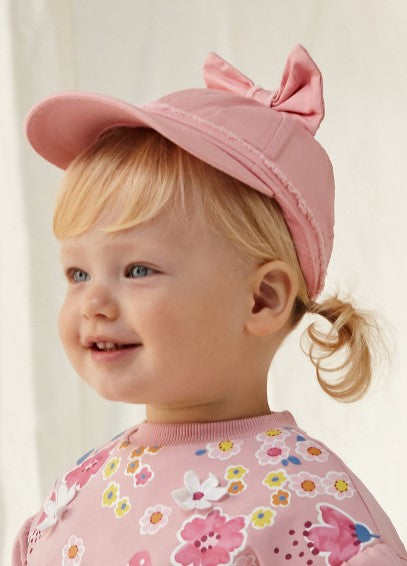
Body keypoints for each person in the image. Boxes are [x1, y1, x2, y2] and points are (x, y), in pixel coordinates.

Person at [12, 44, 406, 565]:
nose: (94, 303)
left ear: (262, 299)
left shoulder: (316, 520)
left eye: (138, 270)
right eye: (77, 274)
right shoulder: (77, 491)